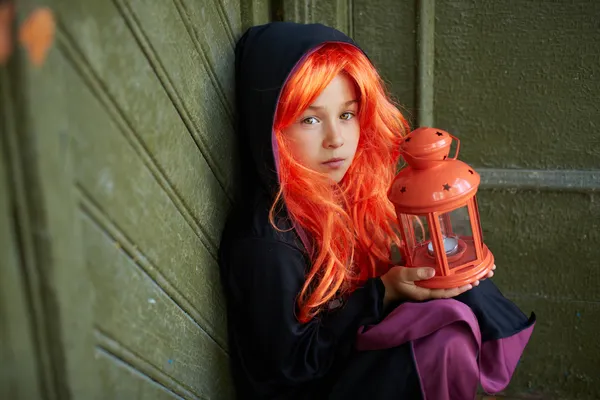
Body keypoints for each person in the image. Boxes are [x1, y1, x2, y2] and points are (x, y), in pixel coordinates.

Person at [218, 21, 535, 400]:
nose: (335, 139)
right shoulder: (268, 241)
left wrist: (427, 278)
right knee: (443, 340)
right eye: (310, 119)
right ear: (270, 127)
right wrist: (381, 294)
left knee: (453, 303)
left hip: (344, 364)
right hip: (311, 389)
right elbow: (290, 367)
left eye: (347, 115)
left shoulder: (341, 197)